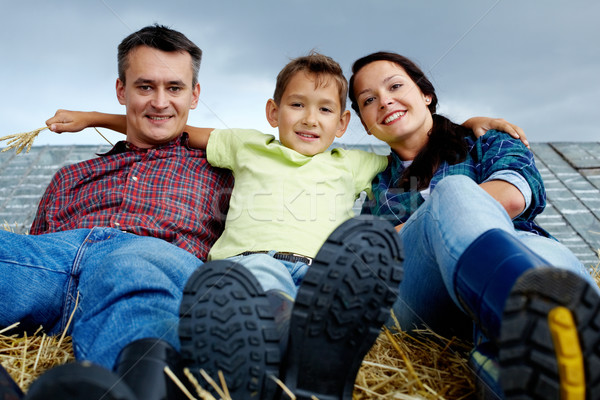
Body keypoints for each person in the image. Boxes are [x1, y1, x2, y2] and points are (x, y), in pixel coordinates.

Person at [44, 52, 529, 399]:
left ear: (342, 124)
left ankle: (301, 352)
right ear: (273, 112)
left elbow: (418, 145)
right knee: (255, 287)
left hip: (320, 271)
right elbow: (169, 125)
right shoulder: (247, 144)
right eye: (296, 106)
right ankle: (263, 343)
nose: (309, 120)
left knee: (322, 302)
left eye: (325, 111)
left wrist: (465, 125)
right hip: (251, 261)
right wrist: (91, 118)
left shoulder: (357, 165)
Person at [348, 51, 600, 399]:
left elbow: (514, 193)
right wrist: (434, 219)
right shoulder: (376, 184)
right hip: (422, 298)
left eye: (395, 86)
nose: (385, 100)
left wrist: (412, 227)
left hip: (518, 246)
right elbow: (372, 258)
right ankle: (532, 319)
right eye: (369, 100)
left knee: (548, 266)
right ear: (364, 122)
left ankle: (525, 376)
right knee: (453, 191)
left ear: (426, 95)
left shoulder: (488, 140)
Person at [0, 24, 233, 400]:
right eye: (145, 87)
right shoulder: (70, 177)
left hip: (148, 257)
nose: (159, 101)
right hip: (58, 263)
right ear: (121, 91)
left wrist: (94, 117)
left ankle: (135, 390)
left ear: (195, 95)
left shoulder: (223, 171)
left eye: (174, 88)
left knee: (133, 273)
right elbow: (35, 257)